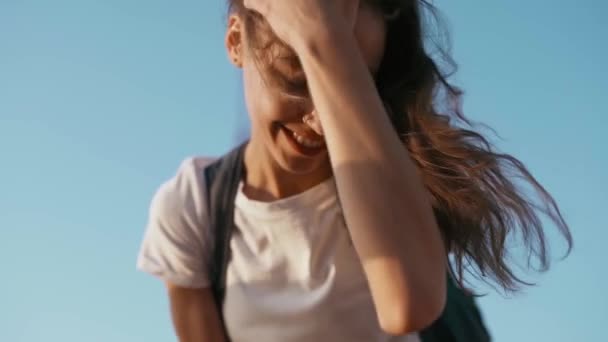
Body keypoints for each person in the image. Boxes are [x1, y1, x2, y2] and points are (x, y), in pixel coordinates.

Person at [136, 1, 572, 341]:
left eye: (353, 80)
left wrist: (322, 42)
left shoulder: (394, 181)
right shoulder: (193, 206)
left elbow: (407, 305)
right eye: (298, 76)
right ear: (235, 42)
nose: (319, 120)